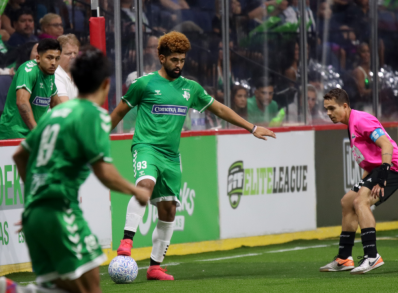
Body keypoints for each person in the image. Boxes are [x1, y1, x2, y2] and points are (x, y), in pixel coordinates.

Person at [0, 48, 151, 293]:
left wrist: (33, 204)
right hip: (59, 209)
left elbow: (20, 156)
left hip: (38, 211)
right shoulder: (92, 116)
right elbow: (103, 171)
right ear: (106, 85)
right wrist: (136, 190)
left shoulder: (55, 114)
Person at [110, 32, 276, 280]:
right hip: (146, 147)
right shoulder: (143, 84)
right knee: (144, 185)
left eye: (182, 60)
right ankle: (126, 241)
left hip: (171, 155)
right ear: (161, 57)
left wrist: (251, 127)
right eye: (174, 59)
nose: (178, 64)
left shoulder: (191, 88)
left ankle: (155, 266)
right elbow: (118, 113)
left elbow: (219, 108)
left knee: (168, 211)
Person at [320, 88, 398, 274]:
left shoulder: (361, 120)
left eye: (331, 108)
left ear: (345, 106)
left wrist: (383, 175)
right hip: (377, 170)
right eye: (326, 109)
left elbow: (385, 144)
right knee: (347, 201)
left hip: (393, 168)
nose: (328, 113)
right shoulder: (351, 123)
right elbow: (369, 160)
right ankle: (344, 258)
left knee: (361, 201)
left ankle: (372, 255)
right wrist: (364, 182)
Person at [0, 39, 61, 140]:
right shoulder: (28, 70)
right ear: (38, 58)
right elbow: (22, 102)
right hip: (11, 135)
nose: (53, 63)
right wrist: (37, 133)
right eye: (49, 58)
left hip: (30, 136)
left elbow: (56, 104)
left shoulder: (50, 73)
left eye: (57, 58)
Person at [55, 34, 79, 103]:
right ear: (57, 55)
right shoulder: (55, 74)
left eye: (75, 53)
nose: (73, 57)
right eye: (68, 53)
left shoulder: (76, 74)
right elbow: (64, 105)